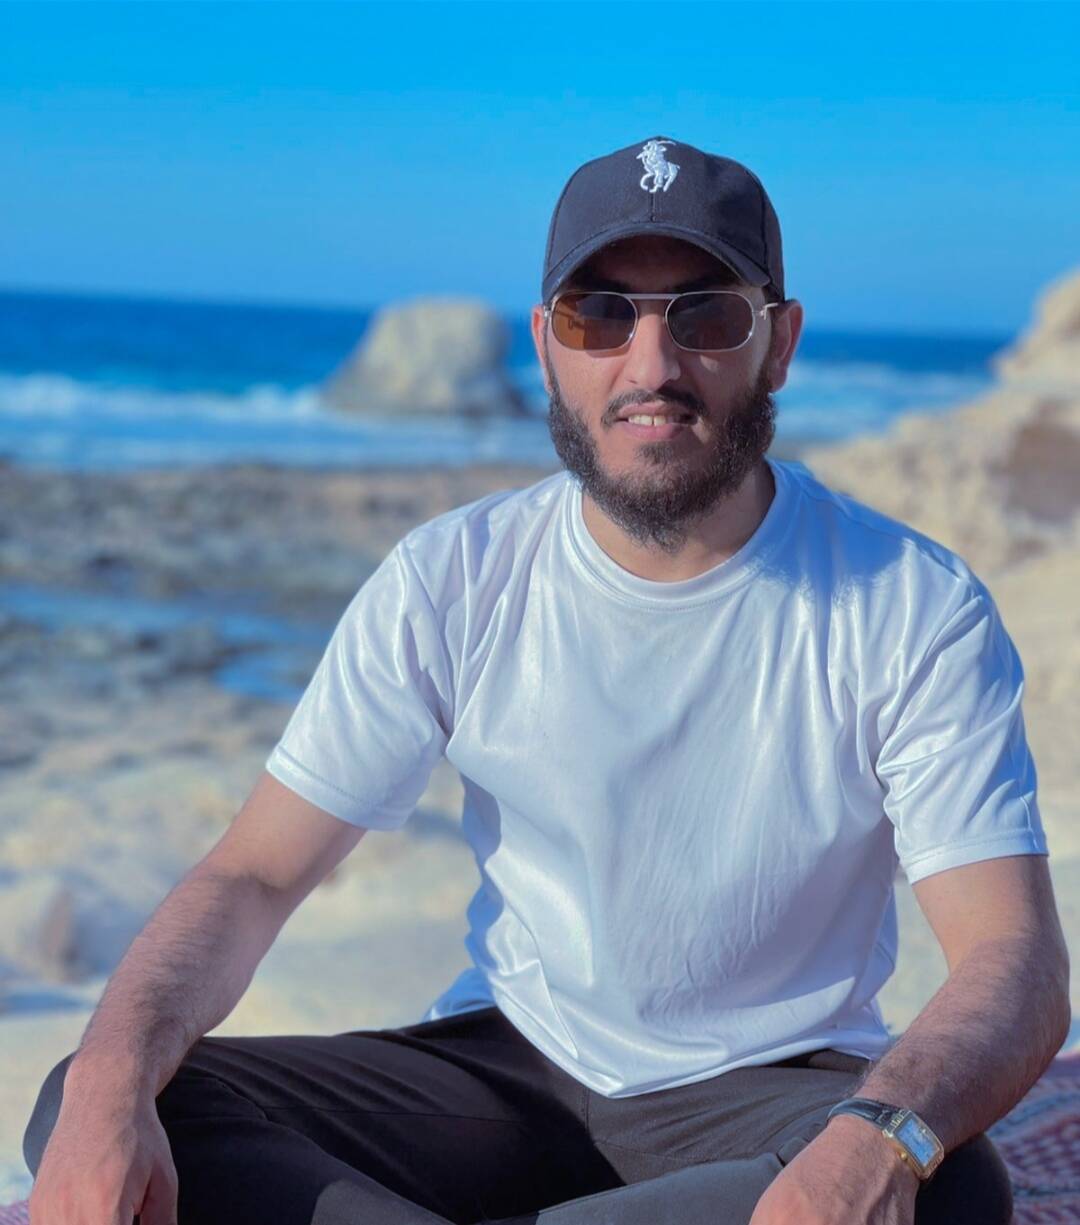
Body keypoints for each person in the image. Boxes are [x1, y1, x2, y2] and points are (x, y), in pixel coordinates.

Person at [22, 136, 1068, 1225]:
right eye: (599, 316)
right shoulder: (454, 576)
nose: (650, 365)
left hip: (764, 1096)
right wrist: (111, 1076)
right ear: (545, 344)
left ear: (781, 343)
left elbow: (1015, 960)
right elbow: (252, 876)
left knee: (942, 1184)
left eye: (706, 316)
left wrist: (876, 1139)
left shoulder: (910, 603)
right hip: (505, 1077)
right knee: (104, 1102)